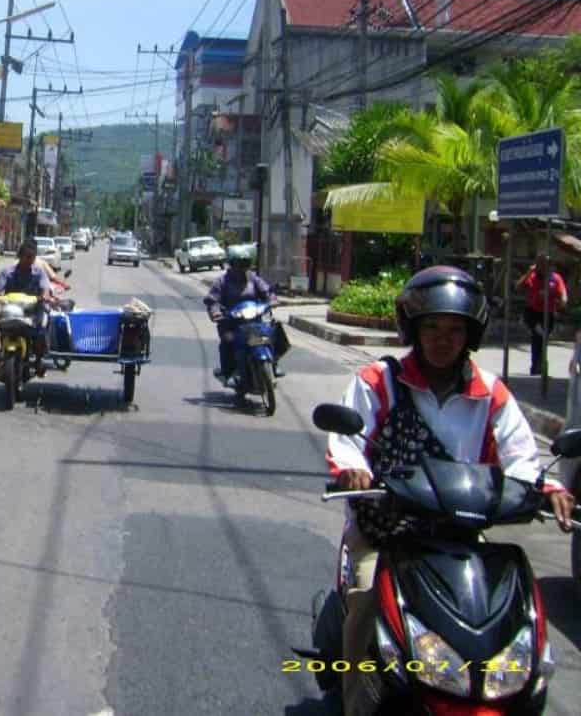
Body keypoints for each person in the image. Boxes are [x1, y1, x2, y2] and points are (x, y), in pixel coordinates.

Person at [326, 266, 575, 716]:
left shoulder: (490, 393)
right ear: (414, 331)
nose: (443, 339)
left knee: (515, 610)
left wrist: (548, 486)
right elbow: (347, 441)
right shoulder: (378, 382)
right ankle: (356, 703)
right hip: (386, 530)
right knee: (365, 599)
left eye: (455, 329)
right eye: (433, 328)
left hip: (459, 530)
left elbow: (521, 453)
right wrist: (352, 471)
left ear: (470, 334)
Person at [203, 245, 284, 384]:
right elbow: (212, 300)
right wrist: (216, 312)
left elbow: (267, 291)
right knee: (227, 341)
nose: (242, 268)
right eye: (239, 264)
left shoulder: (253, 278)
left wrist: (272, 300)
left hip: (254, 321)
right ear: (231, 264)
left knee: (273, 331)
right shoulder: (222, 281)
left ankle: (274, 363)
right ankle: (228, 371)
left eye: (246, 263)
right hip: (231, 323)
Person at [0, 239, 52, 378]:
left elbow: (45, 288)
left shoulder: (39, 273)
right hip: (11, 310)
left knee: (41, 329)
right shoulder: (7, 272)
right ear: (19, 256)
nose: (29, 260)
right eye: (26, 256)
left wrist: (45, 296)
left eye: (32, 257)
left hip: (32, 312)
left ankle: (38, 361)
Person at [516, 252, 568, 375]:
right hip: (533, 312)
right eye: (539, 263)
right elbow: (518, 287)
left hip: (548, 313)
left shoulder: (555, 278)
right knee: (537, 336)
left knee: (541, 340)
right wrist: (529, 272)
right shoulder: (532, 276)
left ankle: (539, 365)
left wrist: (563, 301)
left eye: (545, 263)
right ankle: (538, 366)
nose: (542, 266)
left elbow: (562, 292)